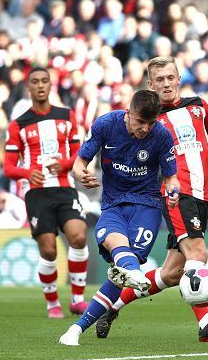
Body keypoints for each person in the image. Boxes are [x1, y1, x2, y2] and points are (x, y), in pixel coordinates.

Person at [95, 56, 208, 343]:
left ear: (179, 79)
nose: (166, 83)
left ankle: (111, 307)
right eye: (159, 79)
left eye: (170, 77)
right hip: (176, 194)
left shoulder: (198, 105)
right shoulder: (149, 120)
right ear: (150, 85)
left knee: (172, 273)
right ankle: (206, 324)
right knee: (198, 253)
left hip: (202, 195)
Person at [59, 89, 180, 346]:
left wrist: (173, 190)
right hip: (112, 205)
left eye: (151, 122)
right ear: (128, 112)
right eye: (140, 122)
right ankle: (133, 273)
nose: (146, 128)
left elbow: (171, 178)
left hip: (146, 207)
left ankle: (75, 330)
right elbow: (79, 164)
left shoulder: (162, 136)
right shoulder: (105, 124)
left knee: (120, 271)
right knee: (119, 256)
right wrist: (81, 175)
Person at [3, 67, 90, 319]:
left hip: (64, 187)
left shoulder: (67, 116)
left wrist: (64, 165)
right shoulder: (18, 125)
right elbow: (8, 166)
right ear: (28, 88)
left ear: (50, 85)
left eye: (44, 81)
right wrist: (26, 173)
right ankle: (52, 302)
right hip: (37, 193)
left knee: (78, 236)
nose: (40, 85)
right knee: (49, 250)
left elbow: (79, 154)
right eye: (35, 82)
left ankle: (77, 300)